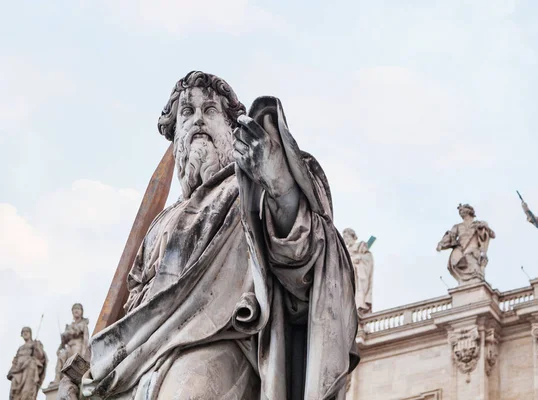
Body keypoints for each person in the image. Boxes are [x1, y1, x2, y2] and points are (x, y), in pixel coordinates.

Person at [80, 71, 358, 399]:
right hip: (140, 357)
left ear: (231, 128)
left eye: (210, 111)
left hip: (217, 338)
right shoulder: (160, 223)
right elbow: (135, 297)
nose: (198, 120)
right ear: (176, 137)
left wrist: (278, 181)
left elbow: (306, 251)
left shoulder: (247, 188)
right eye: (187, 112)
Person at [436, 204, 495, 284]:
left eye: (463, 210)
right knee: (464, 269)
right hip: (460, 252)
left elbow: (492, 235)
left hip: (473, 251)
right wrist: (441, 244)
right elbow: (450, 236)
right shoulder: (457, 226)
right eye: (460, 211)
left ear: (469, 211)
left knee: (475, 272)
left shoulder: (478, 224)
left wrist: (485, 227)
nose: (461, 211)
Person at [51, 303, 90, 385]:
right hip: (68, 346)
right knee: (61, 357)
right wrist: (59, 348)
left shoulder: (83, 324)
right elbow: (63, 342)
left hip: (78, 346)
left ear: (81, 312)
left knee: (74, 362)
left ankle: (73, 379)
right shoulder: (69, 326)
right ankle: (57, 380)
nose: (76, 310)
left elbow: (86, 339)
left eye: (78, 309)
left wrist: (85, 353)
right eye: (74, 309)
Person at [7, 326, 47, 400]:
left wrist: (37, 347)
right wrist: (11, 370)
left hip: (29, 368)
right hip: (18, 371)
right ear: (21, 335)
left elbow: (41, 356)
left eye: (27, 331)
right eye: (23, 332)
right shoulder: (20, 348)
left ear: (30, 333)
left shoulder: (35, 343)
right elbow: (16, 360)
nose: (25, 333)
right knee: (14, 391)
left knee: (27, 391)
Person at [343, 228, 373, 316]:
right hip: (349, 276)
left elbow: (368, 257)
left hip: (359, 274)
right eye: (344, 237)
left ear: (351, 236)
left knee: (360, 289)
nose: (345, 240)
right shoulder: (346, 251)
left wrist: (359, 258)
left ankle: (359, 306)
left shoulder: (361, 245)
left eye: (346, 237)